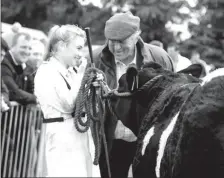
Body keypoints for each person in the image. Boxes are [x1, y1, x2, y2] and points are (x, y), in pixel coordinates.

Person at [89, 11, 174, 178]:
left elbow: (172, 98)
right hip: (111, 139)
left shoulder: (160, 58)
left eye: (122, 42)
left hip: (146, 141)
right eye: (112, 42)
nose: (117, 48)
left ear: (136, 37)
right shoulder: (97, 58)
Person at [34, 24, 102, 177]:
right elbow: (68, 104)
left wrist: (95, 86)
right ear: (62, 46)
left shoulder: (71, 71)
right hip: (62, 137)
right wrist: (83, 76)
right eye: (78, 48)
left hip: (78, 136)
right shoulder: (47, 71)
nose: (81, 54)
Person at [1, 32, 37, 105]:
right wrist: (36, 99)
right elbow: (14, 92)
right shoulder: (3, 62)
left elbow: (33, 89)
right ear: (12, 47)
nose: (27, 51)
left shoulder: (27, 66)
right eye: (23, 47)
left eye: (30, 48)